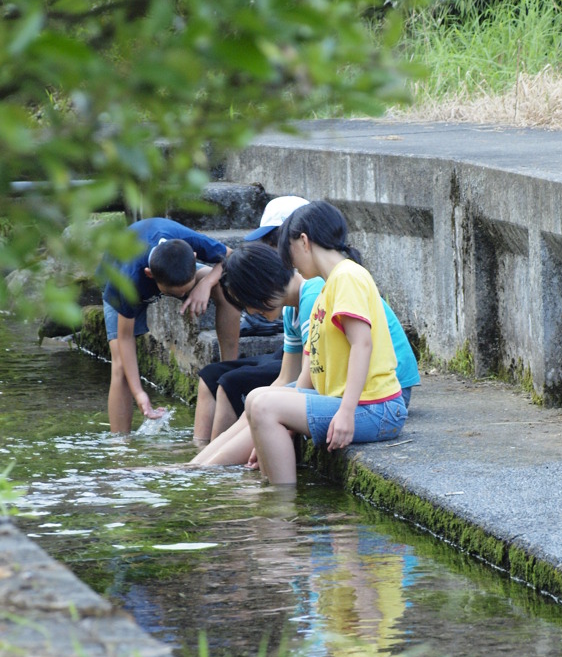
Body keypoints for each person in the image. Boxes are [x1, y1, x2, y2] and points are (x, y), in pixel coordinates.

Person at [196, 201, 411, 483]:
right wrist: (267, 436)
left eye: (290, 254)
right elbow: (304, 378)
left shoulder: (347, 277)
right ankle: (258, 485)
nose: (290, 264)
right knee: (259, 398)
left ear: (304, 241)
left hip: (376, 409)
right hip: (357, 405)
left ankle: (281, 503)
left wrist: (346, 413)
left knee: (264, 406)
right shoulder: (326, 287)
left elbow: (362, 345)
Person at [101, 217, 241, 433]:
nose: (184, 297)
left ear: (194, 257)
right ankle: (120, 447)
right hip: (116, 276)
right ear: (150, 275)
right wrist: (140, 393)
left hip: (170, 267)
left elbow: (231, 257)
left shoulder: (188, 241)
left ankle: (230, 370)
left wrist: (206, 284)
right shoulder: (129, 278)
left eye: (187, 290)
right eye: (176, 295)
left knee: (226, 287)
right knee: (119, 365)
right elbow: (125, 338)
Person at [192, 196, 309, 443]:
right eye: (266, 243)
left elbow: (306, 379)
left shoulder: (312, 287)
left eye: (273, 241)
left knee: (232, 382)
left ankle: (209, 463)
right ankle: (202, 454)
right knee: (212, 374)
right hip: (295, 359)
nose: (269, 250)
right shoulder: (290, 303)